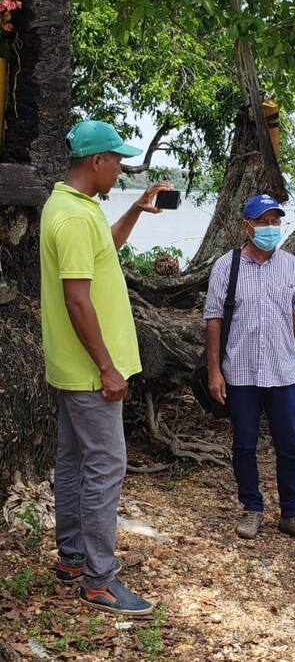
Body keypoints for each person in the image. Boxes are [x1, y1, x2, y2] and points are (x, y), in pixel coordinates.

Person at [40, 119, 174, 616]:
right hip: (90, 372)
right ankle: (98, 579)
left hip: (75, 369)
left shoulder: (77, 207)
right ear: (96, 161)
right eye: (117, 161)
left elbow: (103, 256)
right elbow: (78, 300)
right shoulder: (73, 218)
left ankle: (73, 557)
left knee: (75, 461)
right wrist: (107, 367)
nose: (120, 169)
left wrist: (135, 212)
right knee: (105, 465)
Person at [203, 194, 295, 546]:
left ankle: (292, 514)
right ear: (246, 226)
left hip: (283, 372)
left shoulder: (291, 266)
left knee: (290, 445)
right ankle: (252, 508)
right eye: (263, 221)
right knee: (244, 443)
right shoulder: (227, 266)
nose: (270, 228)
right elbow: (213, 319)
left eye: (275, 221)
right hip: (240, 372)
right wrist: (214, 371)